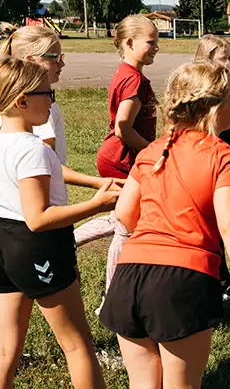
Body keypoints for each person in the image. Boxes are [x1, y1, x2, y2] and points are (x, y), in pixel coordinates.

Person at [100, 62, 230, 388]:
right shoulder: (224, 156)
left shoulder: (152, 151)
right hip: (182, 282)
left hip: (129, 278)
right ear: (215, 109)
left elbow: (124, 214)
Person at [0, 57, 117, 389]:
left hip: (0, 242)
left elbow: (42, 179)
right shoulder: (31, 148)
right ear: (22, 101)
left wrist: (95, 184)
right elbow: (37, 218)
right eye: (47, 94)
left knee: (4, 349)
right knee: (78, 345)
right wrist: (97, 205)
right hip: (37, 247)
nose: (52, 102)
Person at [80, 15, 161, 294]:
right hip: (123, 159)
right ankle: (113, 296)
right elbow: (122, 127)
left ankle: (70, 239)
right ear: (129, 42)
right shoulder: (133, 80)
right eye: (151, 42)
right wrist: (151, 150)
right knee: (126, 224)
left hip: (118, 155)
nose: (156, 47)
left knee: (120, 214)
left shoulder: (125, 72)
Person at [0, 26, 124, 191]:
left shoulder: (14, 102)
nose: (62, 63)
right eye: (54, 57)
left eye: (61, 56)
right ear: (30, 60)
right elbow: (45, 163)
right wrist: (98, 182)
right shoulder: (38, 107)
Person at [194, 34, 230, 302]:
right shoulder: (207, 95)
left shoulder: (223, 89)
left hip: (223, 159)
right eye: (225, 57)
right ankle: (221, 280)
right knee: (217, 222)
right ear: (208, 59)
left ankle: (221, 275)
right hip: (211, 166)